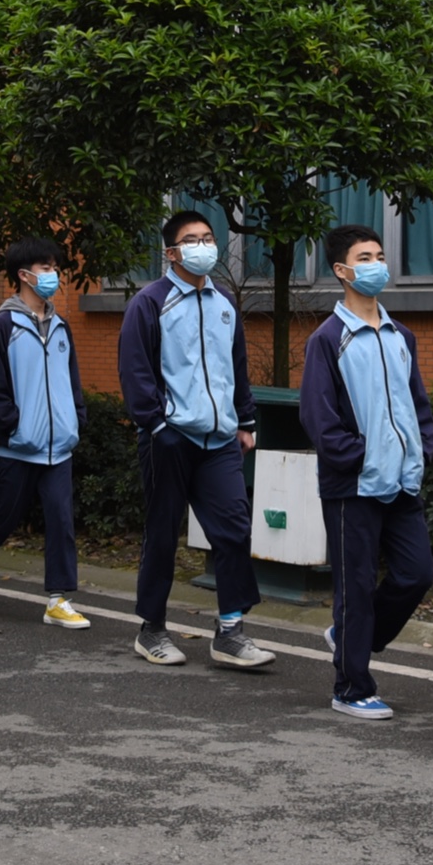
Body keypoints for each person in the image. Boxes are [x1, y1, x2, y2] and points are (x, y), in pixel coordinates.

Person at [118, 209, 273, 671]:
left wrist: (245, 422)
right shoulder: (150, 302)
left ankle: (229, 632)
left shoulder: (224, 303)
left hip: (219, 440)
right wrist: (157, 425)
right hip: (168, 438)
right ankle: (152, 629)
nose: (204, 245)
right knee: (163, 535)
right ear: (171, 252)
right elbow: (135, 371)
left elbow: (236, 369)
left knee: (233, 530)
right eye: (193, 239)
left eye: (208, 237)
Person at [302, 223, 433, 719]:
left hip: (402, 481)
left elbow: (417, 402)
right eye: (365, 257)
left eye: (380, 254)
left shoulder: (401, 335)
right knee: (355, 588)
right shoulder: (328, 339)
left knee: (417, 573)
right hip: (352, 486)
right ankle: (351, 687)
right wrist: (358, 457)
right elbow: (318, 417)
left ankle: (351, 639)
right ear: (342, 271)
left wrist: (423, 448)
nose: (377, 264)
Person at [0, 237, 90, 629]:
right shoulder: (3, 326)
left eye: (54, 267)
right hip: (16, 447)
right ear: (23, 275)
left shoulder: (61, 326)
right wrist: (12, 426)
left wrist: (74, 420)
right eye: (46, 268)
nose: (53, 275)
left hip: (58, 447)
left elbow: (71, 381)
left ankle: (59, 599)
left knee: (61, 520)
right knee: (2, 519)